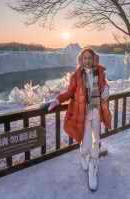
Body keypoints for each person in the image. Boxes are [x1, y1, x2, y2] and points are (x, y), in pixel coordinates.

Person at [45, 47, 112, 191]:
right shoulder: (76, 75)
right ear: (81, 60)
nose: (87, 60)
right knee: (86, 142)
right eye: (84, 58)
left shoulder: (100, 71)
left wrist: (107, 88)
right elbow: (70, 92)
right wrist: (58, 100)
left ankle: (93, 168)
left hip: (97, 112)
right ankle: (83, 154)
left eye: (90, 58)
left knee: (96, 142)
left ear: (94, 59)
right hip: (84, 114)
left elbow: (104, 84)